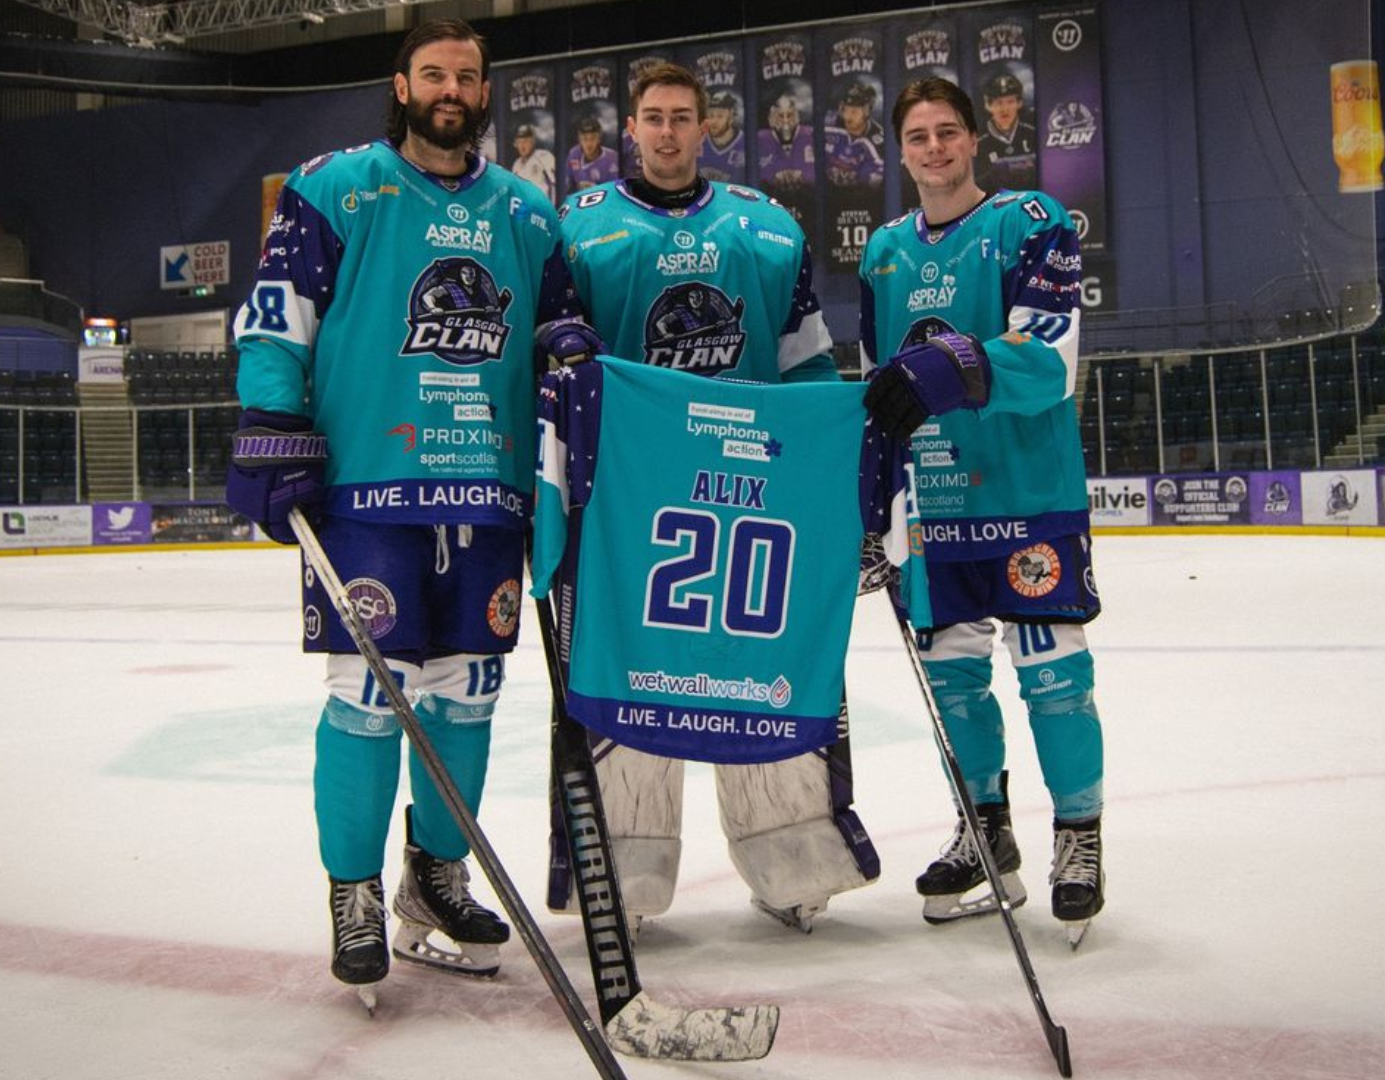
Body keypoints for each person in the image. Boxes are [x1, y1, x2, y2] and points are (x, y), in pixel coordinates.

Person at [225, 18, 598, 997]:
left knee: (468, 698)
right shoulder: (334, 187)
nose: (449, 87)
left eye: (466, 75)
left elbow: (560, 328)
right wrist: (273, 421)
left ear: (484, 92)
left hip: (486, 493)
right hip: (363, 496)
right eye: (432, 72)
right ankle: (352, 891)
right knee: (365, 700)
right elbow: (278, 319)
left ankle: (434, 877)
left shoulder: (525, 213)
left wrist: (567, 356)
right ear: (402, 83)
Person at [549, 61, 878, 934]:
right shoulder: (575, 229)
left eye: (681, 118)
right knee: (628, 675)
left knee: (762, 664)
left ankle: (794, 862)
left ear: (706, 126)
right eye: (651, 117)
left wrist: (838, 487)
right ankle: (623, 879)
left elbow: (808, 368)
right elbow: (550, 367)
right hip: (622, 509)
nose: (665, 132)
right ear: (630, 127)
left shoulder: (766, 229)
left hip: (752, 495)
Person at [858, 77, 1105, 944]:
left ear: (972, 142)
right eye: (917, 135)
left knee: (1052, 674)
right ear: (899, 150)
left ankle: (1077, 837)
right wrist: (869, 502)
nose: (933, 148)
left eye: (947, 132)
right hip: (935, 506)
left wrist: (954, 365)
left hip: (1027, 496)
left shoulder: (1028, 223)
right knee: (953, 678)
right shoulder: (882, 251)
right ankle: (984, 828)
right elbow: (878, 391)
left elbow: (1050, 355)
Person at [975, 72, 1038, 192]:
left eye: (1010, 101)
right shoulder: (977, 142)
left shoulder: (1034, 133)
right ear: (988, 105)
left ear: (1019, 103)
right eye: (999, 103)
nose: (1005, 109)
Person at [823, 81, 885, 188]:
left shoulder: (880, 139)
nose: (847, 117)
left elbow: (878, 181)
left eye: (854, 112)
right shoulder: (826, 126)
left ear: (867, 111)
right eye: (845, 110)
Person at [699, 90, 746, 183]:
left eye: (720, 116)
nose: (714, 121)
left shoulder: (745, 143)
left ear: (732, 117)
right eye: (711, 115)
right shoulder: (699, 142)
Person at [565, 114, 619, 191]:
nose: (589, 143)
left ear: (599, 138)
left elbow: (616, 191)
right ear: (579, 139)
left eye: (593, 138)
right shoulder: (574, 154)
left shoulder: (612, 158)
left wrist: (595, 188)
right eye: (585, 138)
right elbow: (567, 183)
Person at [510, 123, 556, 203]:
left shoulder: (544, 156)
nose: (522, 146)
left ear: (532, 141)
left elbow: (555, 185)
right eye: (519, 142)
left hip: (542, 206)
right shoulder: (516, 164)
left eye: (525, 141)